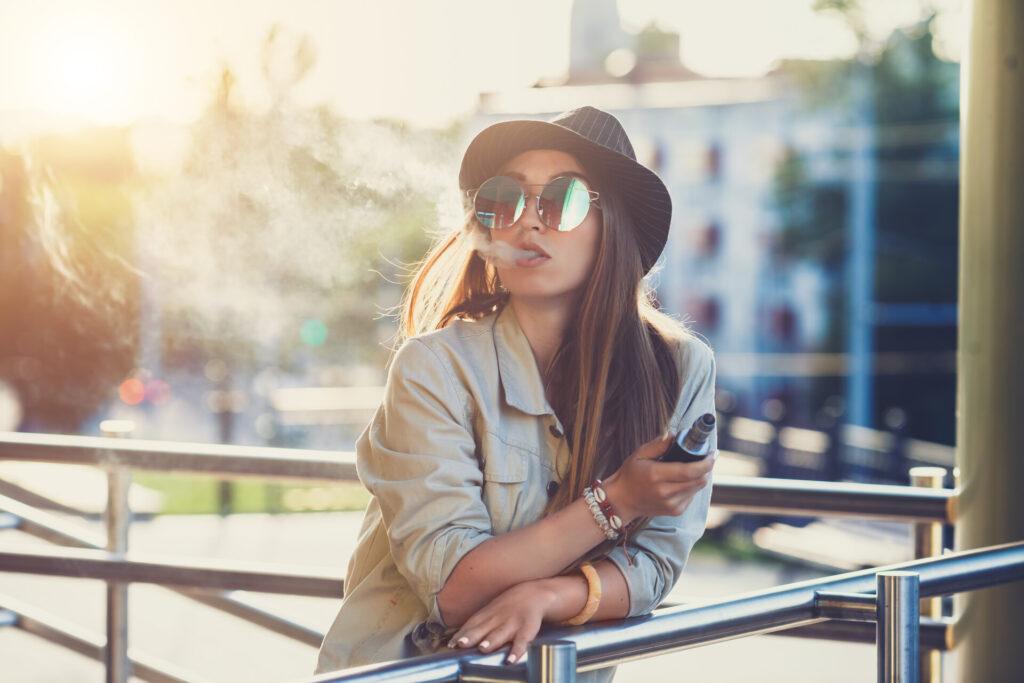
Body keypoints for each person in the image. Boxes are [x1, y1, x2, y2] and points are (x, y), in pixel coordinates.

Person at [314, 105, 718, 681]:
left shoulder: (681, 367)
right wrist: (617, 502)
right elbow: (454, 588)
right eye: (504, 199)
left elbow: (656, 564)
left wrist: (550, 598)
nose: (528, 221)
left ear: (614, 223)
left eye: (563, 199)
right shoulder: (433, 367)